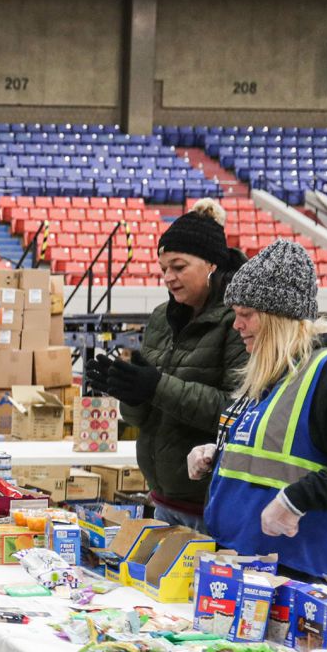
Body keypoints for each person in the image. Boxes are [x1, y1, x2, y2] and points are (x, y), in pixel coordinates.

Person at [188, 239, 327, 589]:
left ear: (277, 317)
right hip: (251, 565)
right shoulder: (273, 373)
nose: (236, 326)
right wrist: (217, 454)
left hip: (304, 576)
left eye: (246, 315)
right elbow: (276, 454)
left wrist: (297, 500)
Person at [85, 198, 247, 529]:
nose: (168, 277)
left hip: (209, 506)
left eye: (178, 266)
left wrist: (156, 386)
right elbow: (145, 417)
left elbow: (236, 410)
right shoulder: (162, 317)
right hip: (162, 499)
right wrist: (130, 396)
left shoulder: (239, 321)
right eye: (163, 269)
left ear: (211, 264)